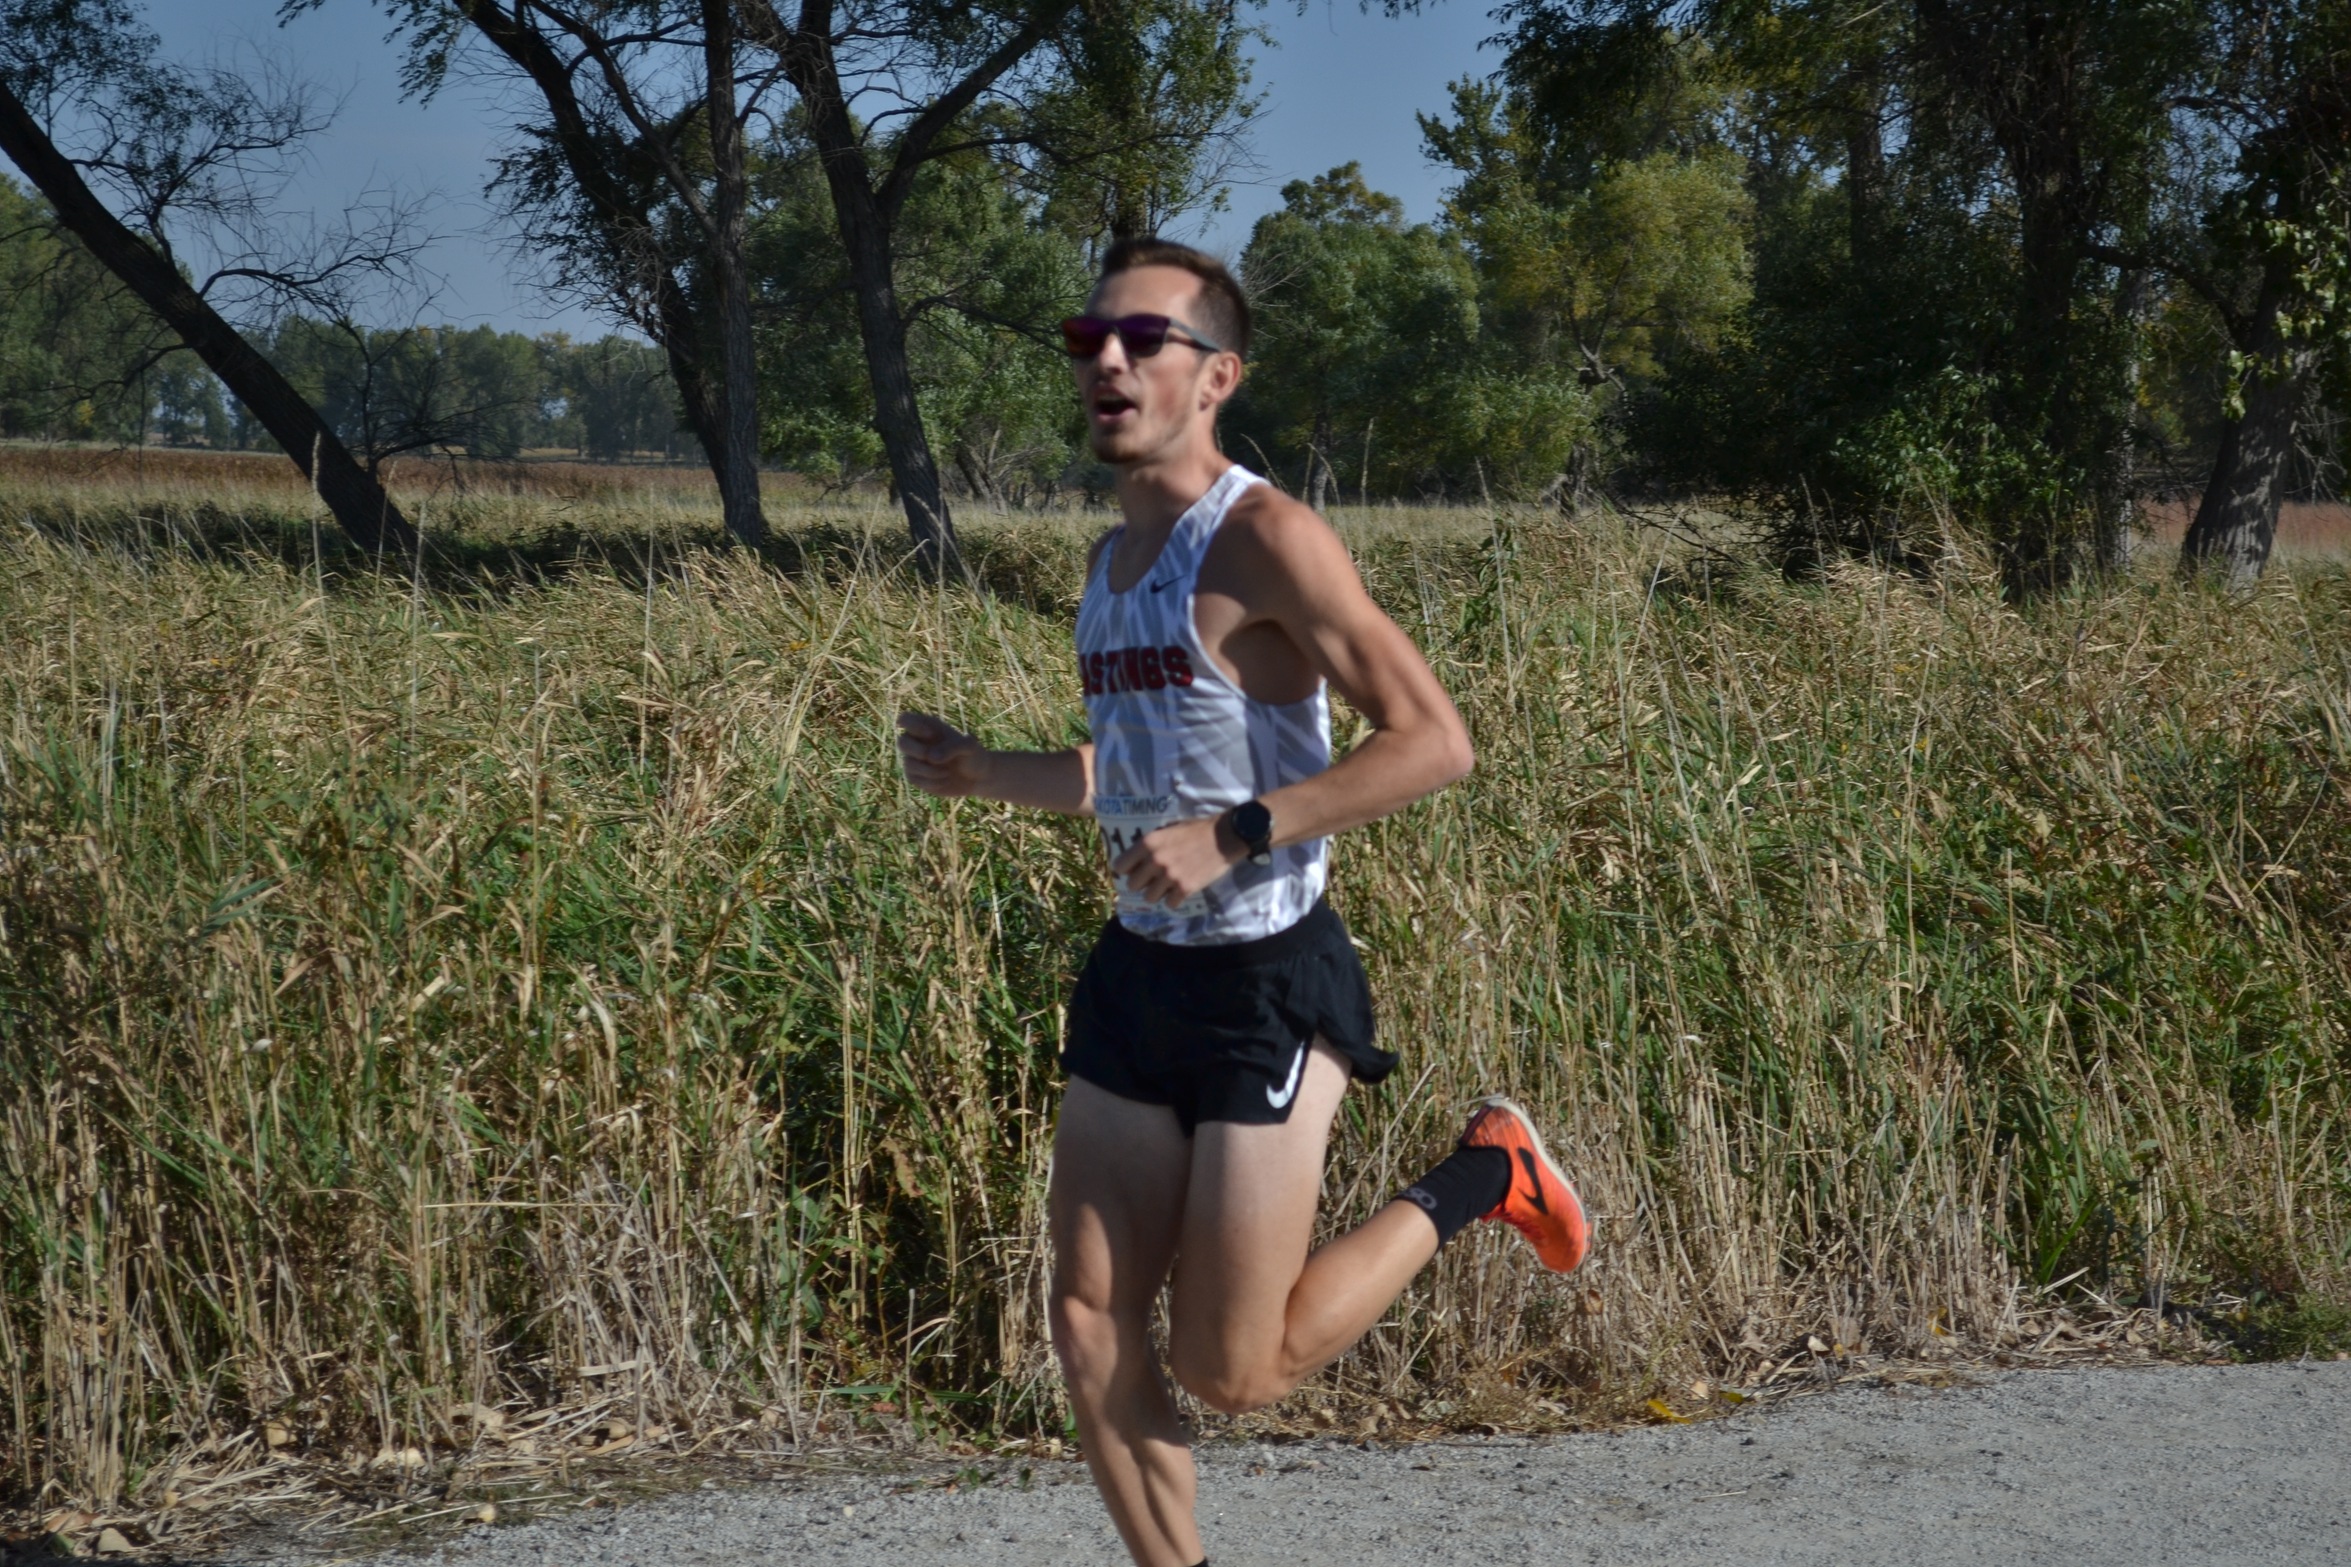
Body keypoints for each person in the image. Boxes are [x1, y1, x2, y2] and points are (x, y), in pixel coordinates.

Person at [896, 236, 1590, 1567]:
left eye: (1142, 340)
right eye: (1088, 337)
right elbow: (1132, 774)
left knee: (1236, 1370)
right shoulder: (1110, 564)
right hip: (1137, 972)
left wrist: (1243, 831)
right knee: (1087, 1323)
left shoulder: (1265, 538)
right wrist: (985, 773)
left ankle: (1484, 1175)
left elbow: (1435, 739)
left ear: (1216, 376)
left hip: (1265, 982)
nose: (1106, 358)